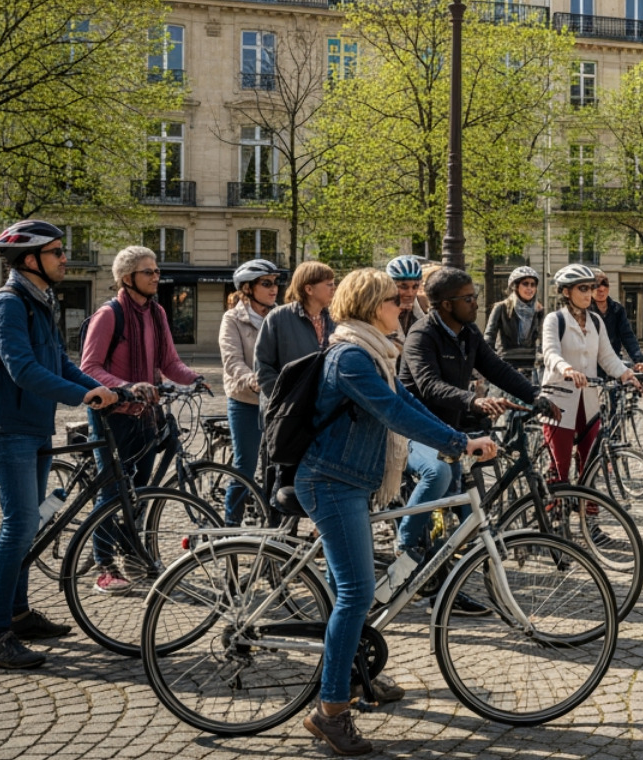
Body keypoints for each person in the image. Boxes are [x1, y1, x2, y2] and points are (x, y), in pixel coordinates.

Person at [295, 267, 496, 755]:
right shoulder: (351, 356)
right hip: (331, 480)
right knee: (357, 592)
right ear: (369, 306)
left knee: (361, 589)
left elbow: (409, 400)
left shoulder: (376, 351)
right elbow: (392, 413)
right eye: (392, 299)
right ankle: (331, 712)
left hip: (352, 479)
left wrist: (456, 440)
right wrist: (459, 443)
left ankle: (357, 673)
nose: (401, 305)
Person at [0, 221, 117, 669]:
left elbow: (60, 363)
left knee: (31, 523)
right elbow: (22, 370)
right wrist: (83, 396)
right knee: (19, 525)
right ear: (30, 260)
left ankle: (17, 613)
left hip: (33, 424)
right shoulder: (7, 305)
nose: (64, 258)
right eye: (56, 252)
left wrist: (109, 387)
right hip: (4, 426)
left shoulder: (41, 302)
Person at [81, 245, 203, 595]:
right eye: (148, 272)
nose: (156, 277)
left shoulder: (157, 313)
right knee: (111, 493)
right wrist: (127, 386)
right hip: (112, 417)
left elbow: (169, 362)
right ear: (127, 278)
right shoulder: (110, 315)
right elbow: (89, 368)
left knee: (138, 494)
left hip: (146, 417)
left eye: (157, 271)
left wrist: (193, 378)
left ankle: (133, 555)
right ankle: (103, 565)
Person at [400, 267, 543, 563]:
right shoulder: (421, 335)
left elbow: (497, 368)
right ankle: (405, 545)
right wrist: (473, 401)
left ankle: (448, 582)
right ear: (447, 305)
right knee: (437, 474)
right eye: (469, 298)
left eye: (474, 296)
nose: (476, 303)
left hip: (451, 432)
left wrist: (535, 395)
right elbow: (429, 386)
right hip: (417, 430)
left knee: (469, 517)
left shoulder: (468, 333)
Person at [540, 264, 642, 486]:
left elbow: (607, 357)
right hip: (559, 401)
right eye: (583, 288)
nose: (589, 294)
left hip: (589, 403)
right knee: (559, 469)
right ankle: (555, 515)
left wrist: (626, 374)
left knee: (591, 465)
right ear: (567, 292)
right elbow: (550, 353)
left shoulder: (596, 321)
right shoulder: (555, 320)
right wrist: (567, 369)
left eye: (591, 288)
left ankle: (591, 516)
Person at [218, 258, 280, 524]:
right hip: (246, 401)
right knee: (245, 466)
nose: (274, 289)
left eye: (276, 283)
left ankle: (275, 525)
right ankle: (230, 526)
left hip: (277, 401)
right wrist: (252, 380)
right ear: (247, 288)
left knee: (278, 466)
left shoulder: (280, 315)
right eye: (266, 283)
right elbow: (232, 361)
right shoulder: (233, 319)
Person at [254, 260, 337, 408]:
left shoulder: (336, 320)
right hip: (286, 413)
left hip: (324, 412)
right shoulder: (278, 318)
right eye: (329, 284)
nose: (334, 288)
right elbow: (263, 367)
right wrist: (286, 399)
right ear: (309, 289)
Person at [484, 265, 544, 382]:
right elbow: (488, 338)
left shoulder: (539, 310)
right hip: (506, 363)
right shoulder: (501, 308)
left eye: (533, 285)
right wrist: (491, 363)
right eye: (525, 284)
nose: (530, 288)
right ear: (515, 286)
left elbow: (543, 338)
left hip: (530, 364)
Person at [591, 268, 643, 371]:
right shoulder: (584, 311)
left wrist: (638, 359)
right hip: (590, 364)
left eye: (605, 284)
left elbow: (627, 336)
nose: (601, 289)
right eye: (596, 285)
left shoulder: (617, 309)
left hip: (612, 362)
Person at [385, 255, 426, 337]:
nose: (410, 293)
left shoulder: (424, 308)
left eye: (415, 287)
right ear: (390, 286)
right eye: (404, 287)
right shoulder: (378, 312)